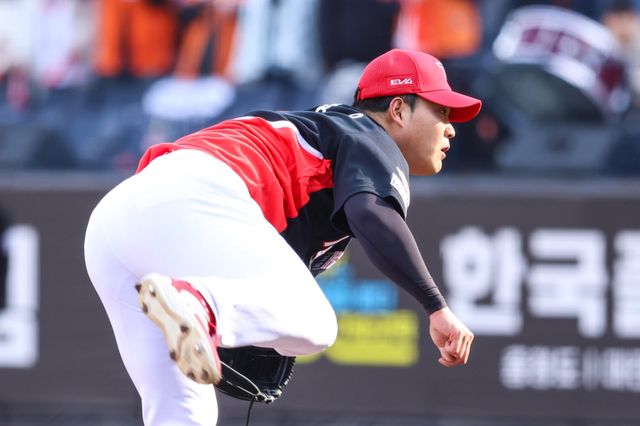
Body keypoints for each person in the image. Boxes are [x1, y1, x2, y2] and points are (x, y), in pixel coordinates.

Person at [84, 48, 480, 425]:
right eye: (441, 112)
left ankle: (197, 305)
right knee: (316, 322)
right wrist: (436, 306)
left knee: (183, 413)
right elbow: (372, 214)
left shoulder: (324, 133)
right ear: (398, 110)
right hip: (196, 196)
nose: (451, 129)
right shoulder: (369, 135)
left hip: (118, 218)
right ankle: (200, 304)